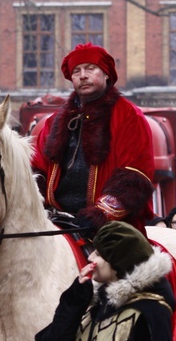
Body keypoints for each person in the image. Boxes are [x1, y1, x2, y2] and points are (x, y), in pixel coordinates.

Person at [35, 221, 175, 341]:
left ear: (118, 262)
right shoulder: (98, 306)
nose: (90, 258)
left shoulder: (146, 314)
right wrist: (76, 298)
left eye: (99, 254)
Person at [31, 43, 155, 235]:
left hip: (110, 227)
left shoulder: (129, 116)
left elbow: (135, 175)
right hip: (56, 222)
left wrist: (100, 214)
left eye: (90, 68)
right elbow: (37, 169)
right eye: (76, 71)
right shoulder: (54, 121)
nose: (83, 75)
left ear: (106, 74)